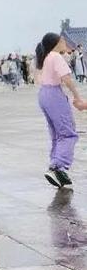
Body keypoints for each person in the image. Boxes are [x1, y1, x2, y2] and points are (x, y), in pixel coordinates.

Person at [35, 32, 87, 189]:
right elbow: (67, 79)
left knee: (57, 134)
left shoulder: (46, 57)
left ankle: (56, 166)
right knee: (68, 133)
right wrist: (77, 97)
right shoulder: (56, 56)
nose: (65, 42)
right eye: (62, 40)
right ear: (56, 43)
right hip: (54, 94)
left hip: (44, 94)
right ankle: (58, 167)